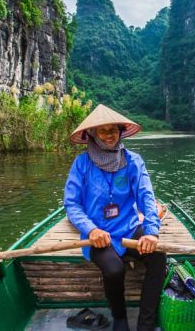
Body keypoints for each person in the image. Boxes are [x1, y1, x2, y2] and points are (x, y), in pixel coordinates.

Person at [63, 104, 167, 331]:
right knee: (114, 269)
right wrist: (90, 229)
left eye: (113, 130)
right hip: (99, 234)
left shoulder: (133, 161)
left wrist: (151, 231)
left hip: (129, 229)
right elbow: (72, 204)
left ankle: (146, 324)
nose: (109, 135)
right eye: (103, 130)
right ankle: (119, 317)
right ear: (92, 134)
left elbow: (147, 198)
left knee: (158, 256)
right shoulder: (82, 164)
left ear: (120, 131)